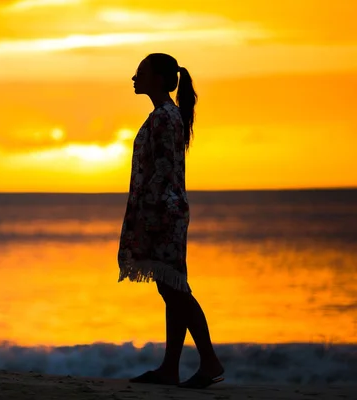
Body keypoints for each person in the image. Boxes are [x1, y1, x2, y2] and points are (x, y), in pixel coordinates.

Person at [117, 53, 225, 389]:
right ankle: (170, 367)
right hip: (165, 208)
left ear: (160, 79)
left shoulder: (165, 117)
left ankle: (208, 360)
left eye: (141, 72)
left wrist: (147, 213)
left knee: (175, 288)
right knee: (171, 286)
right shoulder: (164, 115)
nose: (134, 77)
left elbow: (163, 169)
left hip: (162, 211)